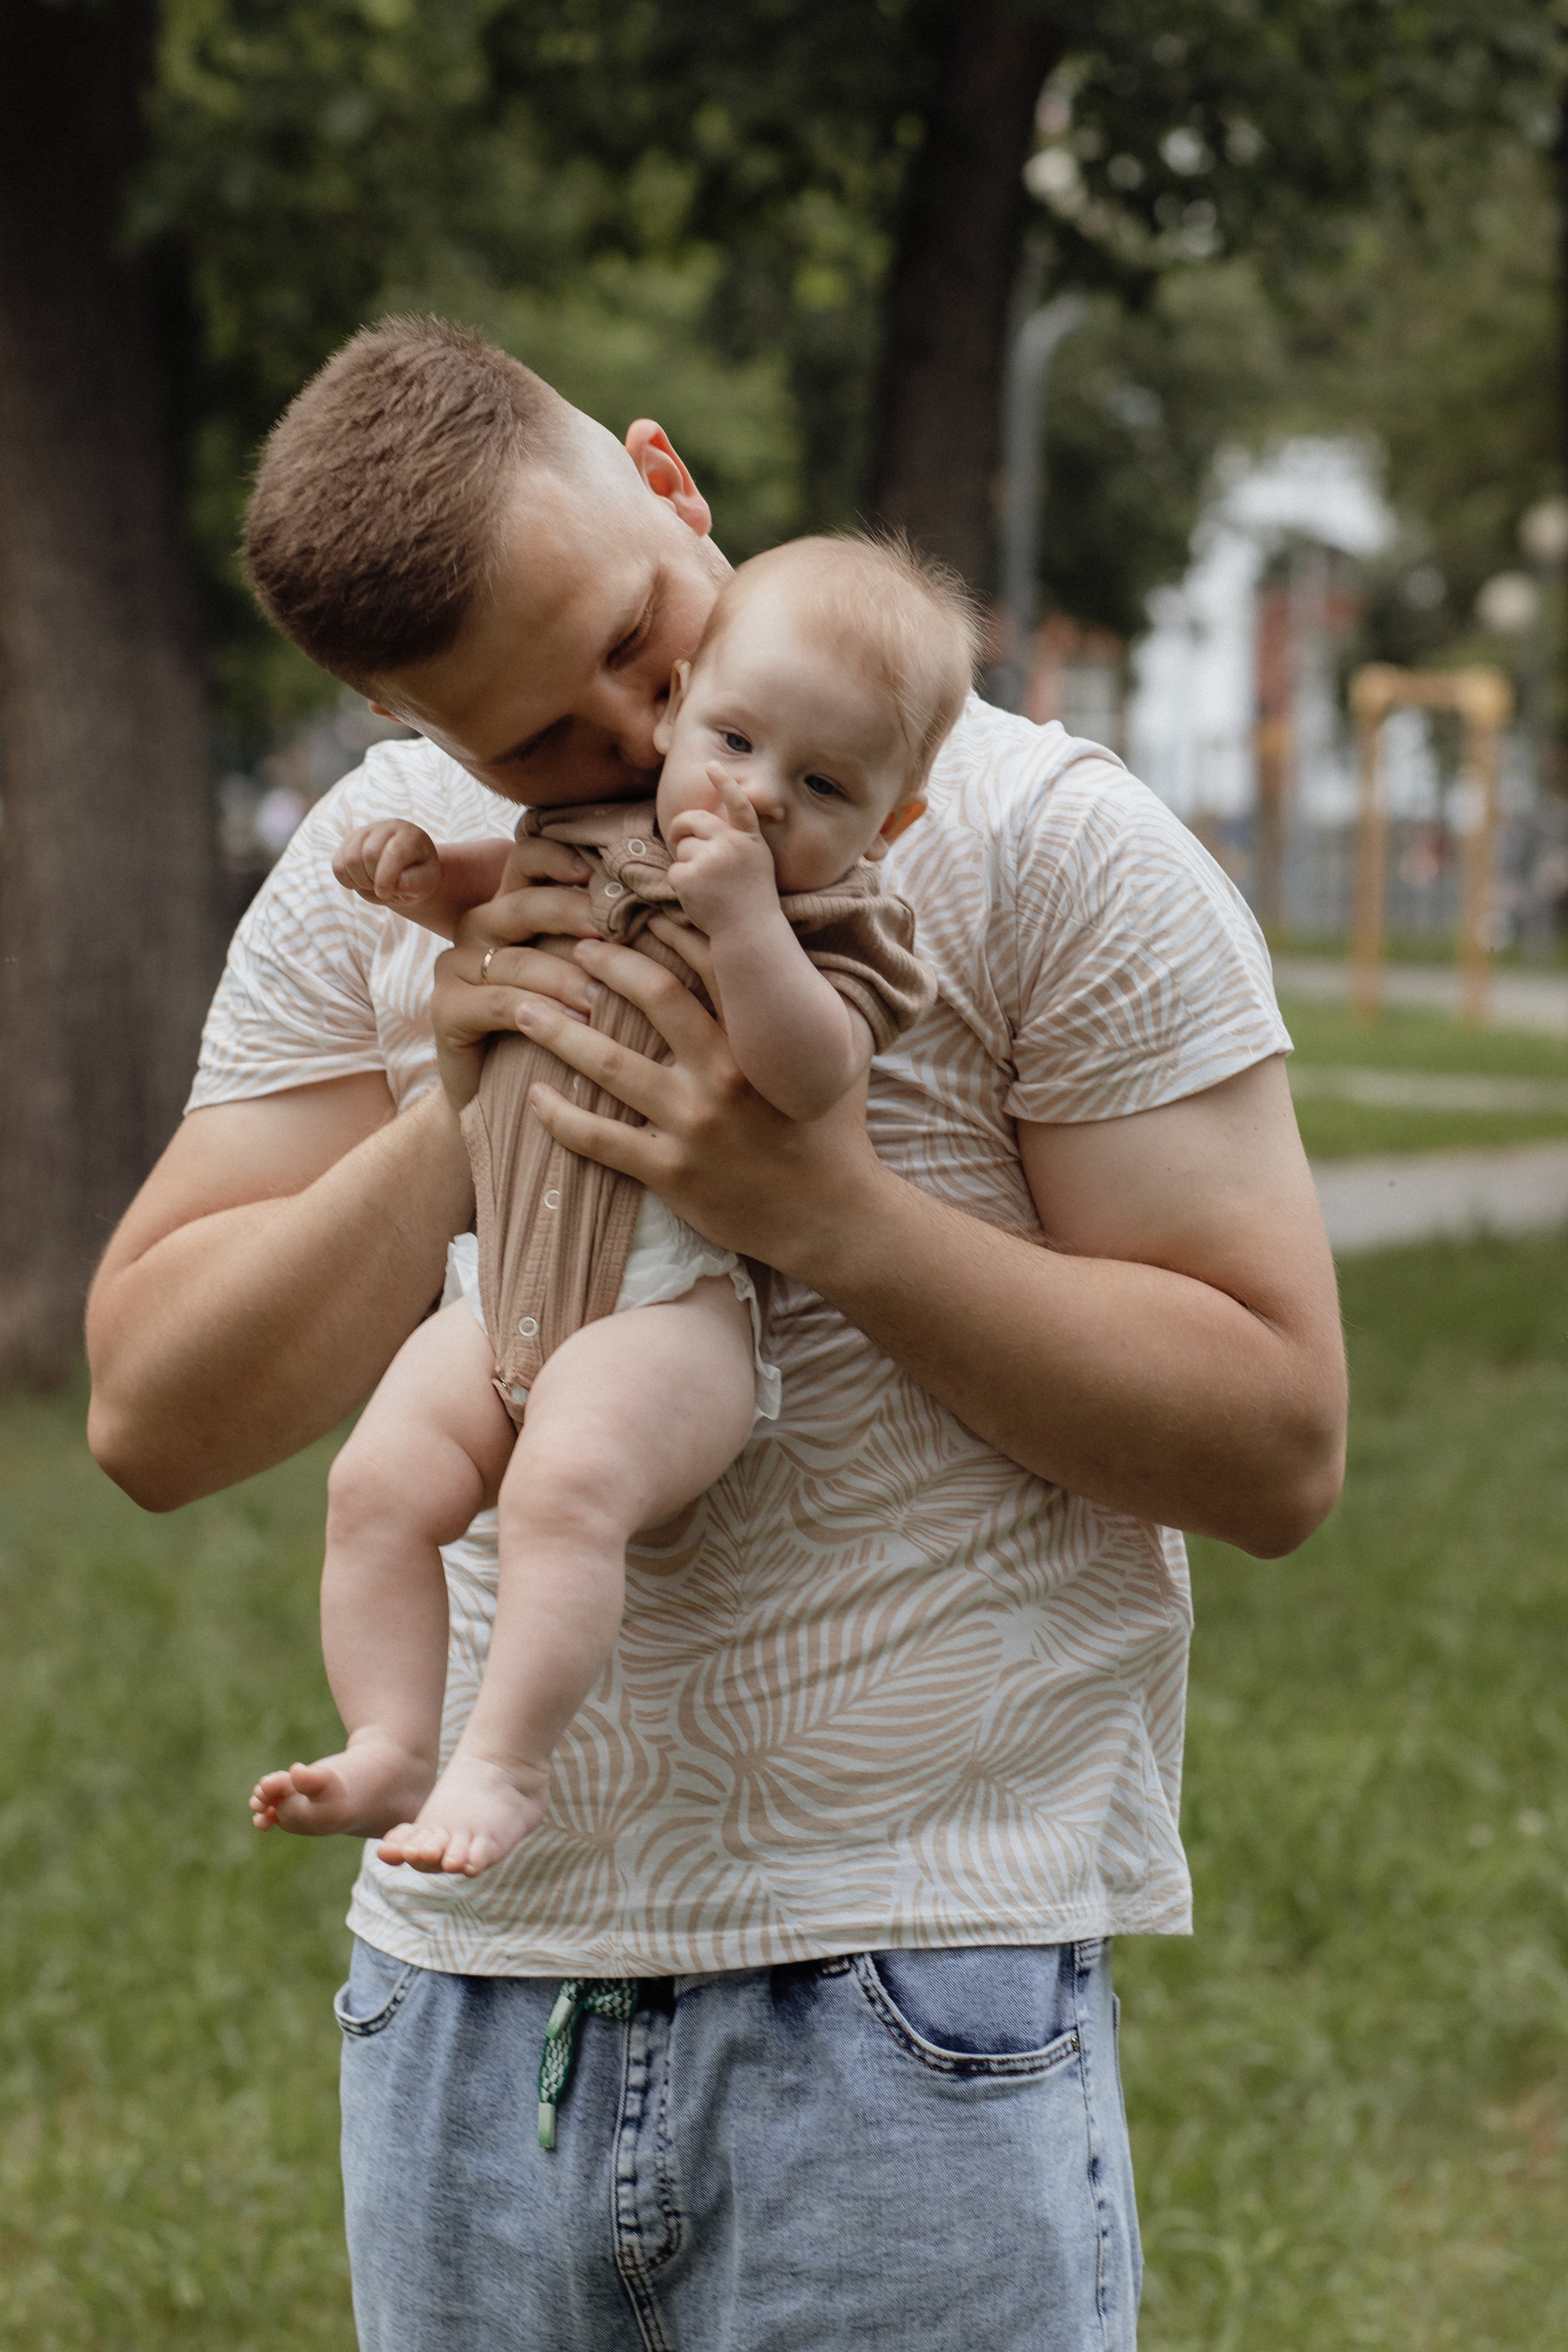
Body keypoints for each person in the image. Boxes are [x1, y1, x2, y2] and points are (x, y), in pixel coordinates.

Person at [85, 317, 1346, 2350]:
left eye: (646, 642)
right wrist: (463, 1100)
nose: (648, 739)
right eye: (545, 744)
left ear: (671, 483)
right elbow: (149, 1413)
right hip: (461, 1994)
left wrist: (829, 1220)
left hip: (906, 1997)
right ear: (404, 725)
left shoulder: (1051, 844)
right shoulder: (386, 877)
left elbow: (1279, 1447)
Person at [249, 534, 962, 1884]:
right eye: (735, 741)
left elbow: (809, 1075)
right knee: (377, 1481)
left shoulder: (837, 922)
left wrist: (746, 922)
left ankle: (503, 1767)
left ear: (893, 820)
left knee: (564, 1490)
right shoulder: (581, 819)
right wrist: (416, 873)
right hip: (499, 1282)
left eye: (819, 786)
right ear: (679, 704)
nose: (753, 800)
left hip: (668, 1309)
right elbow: (495, 877)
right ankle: (393, 1741)